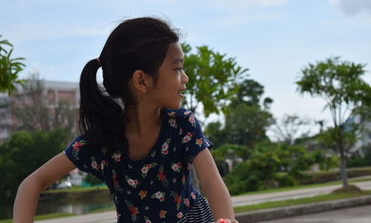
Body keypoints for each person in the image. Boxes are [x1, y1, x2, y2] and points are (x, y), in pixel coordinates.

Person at [13, 17, 238, 223]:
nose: (185, 78)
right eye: (177, 68)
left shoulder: (182, 125)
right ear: (141, 80)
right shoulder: (100, 143)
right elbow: (31, 184)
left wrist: (226, 220)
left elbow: (211, 183)